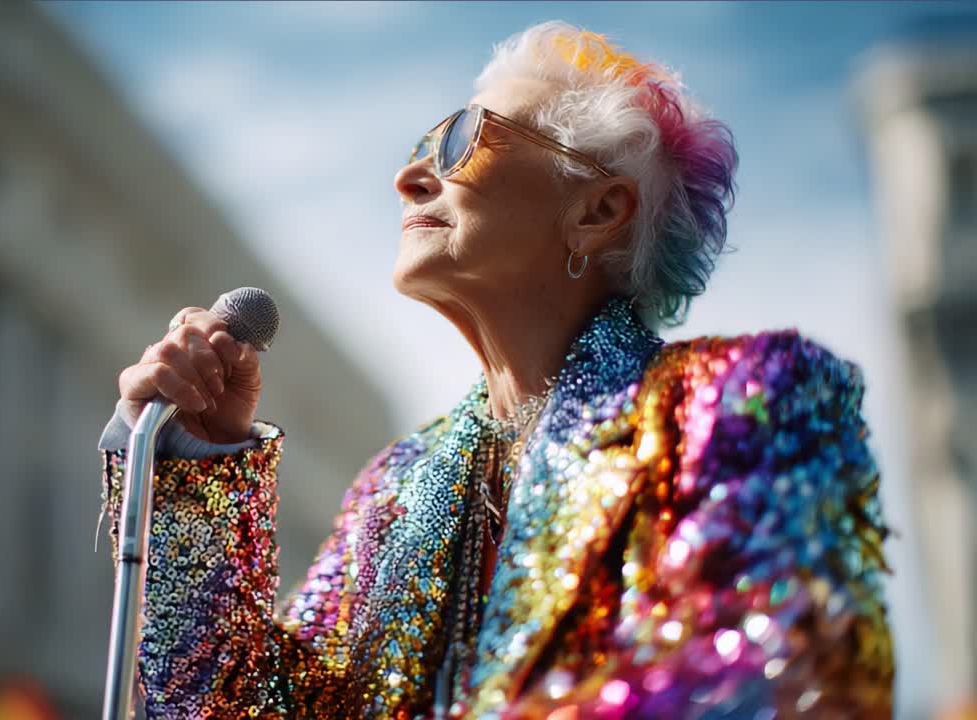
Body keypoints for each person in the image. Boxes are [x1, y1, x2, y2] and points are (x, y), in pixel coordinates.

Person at [99, 21, 893, 720]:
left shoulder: (746, 399)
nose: (408, 178)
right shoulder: (393, 492)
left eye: (462, 139)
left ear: (596, 211)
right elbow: (234, 709)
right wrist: (199, 469)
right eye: (418, 149)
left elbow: (769, 682)